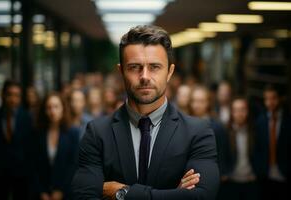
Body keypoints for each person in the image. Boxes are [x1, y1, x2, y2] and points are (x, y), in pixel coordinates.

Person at [72, 25, 219, 200]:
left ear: (169, 72)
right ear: (121, 72)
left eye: (155, 67)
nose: (145, 76)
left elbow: (202, 196)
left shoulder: (198, 132)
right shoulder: (97, 133)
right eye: (135, 67)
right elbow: (83, 196)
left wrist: (123, 193)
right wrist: (175, 194)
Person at [32, 93, 79, 200]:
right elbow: (33, 165)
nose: (52, 111)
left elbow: (73, 165)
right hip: (42, 193)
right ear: (44, 110)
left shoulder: (73, 132)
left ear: (63, 108)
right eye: (49, 107)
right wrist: (41, 192)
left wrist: (61, 191)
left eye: (56, 106)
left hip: (65, 193)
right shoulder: (37, 133)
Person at [0, 80, 33, 200]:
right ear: (3, 95)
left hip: (21, 174)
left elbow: (30, 147)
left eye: (16, 95)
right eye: (9, 94)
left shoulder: (26, 118)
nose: (13, 99)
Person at [189, 85, 232, 181]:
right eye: (194, 101)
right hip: (190, 178)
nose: (196, 105)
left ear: (208, 103)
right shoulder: (184, 124)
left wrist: (223, 173)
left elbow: (223, 152)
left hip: (212, 177)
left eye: (201, 101)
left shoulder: (217, 127)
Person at [254, 85, 290, 200]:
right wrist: (259, 169)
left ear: (280, 99)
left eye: (273, 98)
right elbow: (257, 147)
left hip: (284, 174)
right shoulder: (260, 121)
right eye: (267, 99)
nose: (270, 102)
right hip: (265, 175)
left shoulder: (288, 120)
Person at [220, 97, 258, 200]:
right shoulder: (225, 131)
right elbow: (222, 154)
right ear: (231, 113)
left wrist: (257, 172)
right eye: (236, 110)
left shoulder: (254, 131)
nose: (239, 113)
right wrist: (224, 173)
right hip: (231, 180)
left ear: (248, 111)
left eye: (243, 109)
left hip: (251, 180)